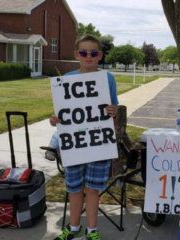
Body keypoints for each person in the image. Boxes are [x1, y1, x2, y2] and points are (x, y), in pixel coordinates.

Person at [51, 35, 118, 240]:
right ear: (76, 55)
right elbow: (63, 114)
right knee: (74, 189)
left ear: (100, 56)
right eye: (83, 52)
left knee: (92, 190)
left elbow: (113, 108)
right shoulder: (67, 79)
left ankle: (91, 230)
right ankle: (73, 228)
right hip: (75, 145)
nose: (88, 56)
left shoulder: (108, 79)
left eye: (93, 53)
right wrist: (55, 120)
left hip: (98, 144)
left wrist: (113, 111)